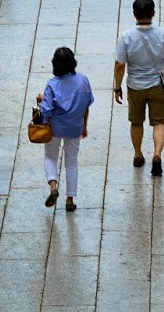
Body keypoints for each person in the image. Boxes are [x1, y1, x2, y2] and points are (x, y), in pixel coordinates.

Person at [113, 0, 164, 176]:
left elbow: (119, 65)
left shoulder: (126, 37)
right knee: (159, 122)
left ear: (134, 14)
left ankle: (138, 154)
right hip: (158, 84)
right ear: (153, 13)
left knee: (136, 122)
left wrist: (117, 87)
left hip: (135, 86)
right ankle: (157, 154)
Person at [40, 46, 94, 210]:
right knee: (71, 163)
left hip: (54, 128)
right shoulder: (83, 80)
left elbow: (47, 109)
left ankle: (53, 186)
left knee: (50, 157)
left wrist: (41, 101)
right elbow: (87, 104)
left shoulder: (52, 84)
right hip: (74, 127)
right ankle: (70, 200)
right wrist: (84, 125)